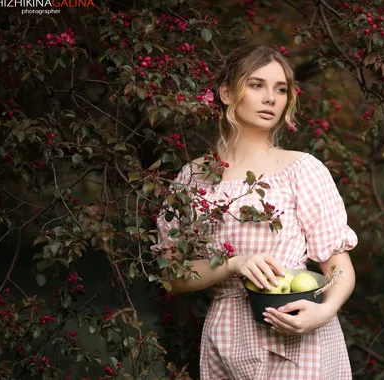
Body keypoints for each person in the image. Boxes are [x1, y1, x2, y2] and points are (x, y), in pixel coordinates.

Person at [152, 44, 358, 379]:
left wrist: (324, 312)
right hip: (227, 338)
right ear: (226, 93)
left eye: (280, 89)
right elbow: (171, 277)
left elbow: (339, 268)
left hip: (296, 334)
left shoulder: (301, 169)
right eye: (257, 84)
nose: (271, 98)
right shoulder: (192, 178)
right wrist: (233, 264)